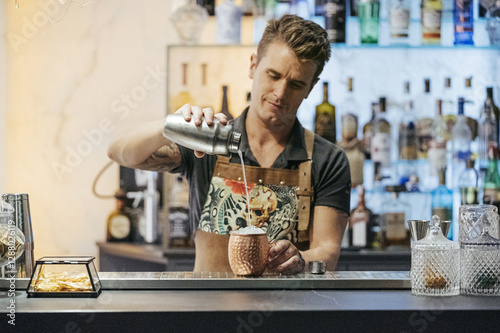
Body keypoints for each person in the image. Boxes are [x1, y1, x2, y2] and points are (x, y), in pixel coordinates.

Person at [108, 14, 351, 275]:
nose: (280, 93)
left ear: (311, 87)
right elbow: (120, 152)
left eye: (296, 84)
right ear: (253, 66)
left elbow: (328, 252)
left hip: (288, 312)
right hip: (209, 311)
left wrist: (301, 259)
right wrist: (172, 125)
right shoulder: (208, 141)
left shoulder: (328, 160)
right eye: (273, 75)